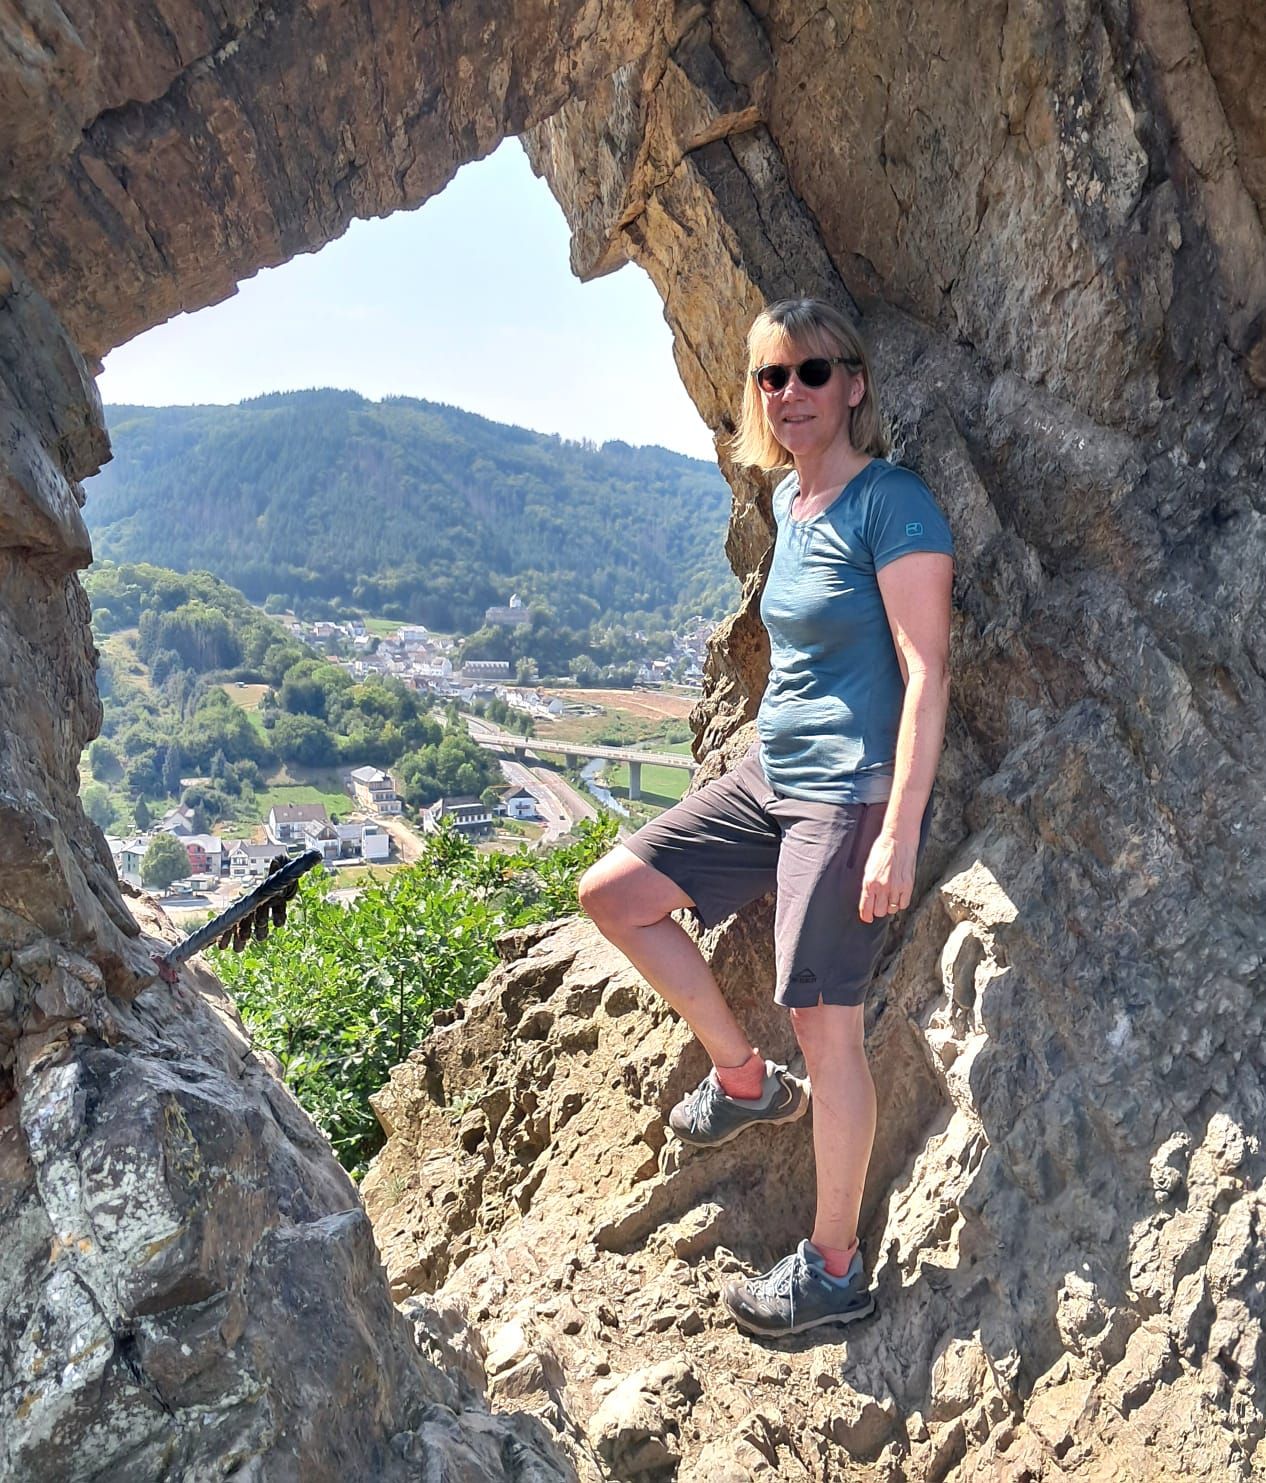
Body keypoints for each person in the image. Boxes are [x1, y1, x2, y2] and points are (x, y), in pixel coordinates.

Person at [578, 297, 954, 1338]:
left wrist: (897, 829)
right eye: (770, 378)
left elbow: (927, 672)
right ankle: (743, 1079)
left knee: (826, 1028)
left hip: (848, 795)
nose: (790, 394)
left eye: (813, 373)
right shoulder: (791, 504)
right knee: (614, 893)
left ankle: (835, 1268)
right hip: (766, 780)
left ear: (855, 384)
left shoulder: (893, 503)